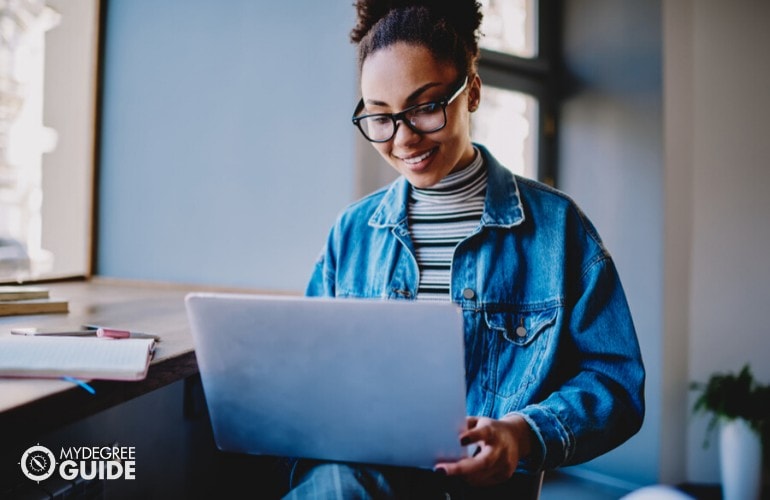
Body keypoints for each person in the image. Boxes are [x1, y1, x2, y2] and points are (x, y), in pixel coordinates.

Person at [284, 0, 645, 498]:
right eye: (380, 117)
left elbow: (615, 384)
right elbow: (310, 370)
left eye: (426, 107)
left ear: (471, 91)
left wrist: (523, 436)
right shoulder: (351, 233)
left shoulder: (558, 231)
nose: (403, 138)